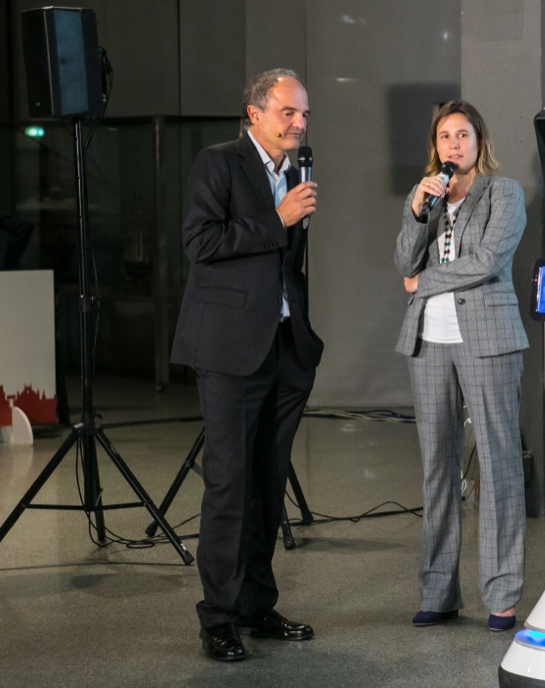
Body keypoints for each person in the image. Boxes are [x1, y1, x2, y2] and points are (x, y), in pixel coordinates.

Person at [171, 69, 324, 662]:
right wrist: (277, 220)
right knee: (230, 484)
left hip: (284, 346)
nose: (300, 124)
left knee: (267, 482)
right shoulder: (219, 163)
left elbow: (286, 264)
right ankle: (218, 617)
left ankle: (257, 603)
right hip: (230, 349)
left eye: (305, 114)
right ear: (255, 112)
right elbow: (200, 243)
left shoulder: (292, 173)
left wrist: (289, 221)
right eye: (289, 112)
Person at [395, 100, 528, 633]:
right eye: (445, 136)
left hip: (488, 340)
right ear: (436, 146)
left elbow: (487, 262)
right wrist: (414, 212)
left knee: (498, 465)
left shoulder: (504, 193)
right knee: (437, 470)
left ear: (480, 142)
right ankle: (437, 590)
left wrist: (422, 283)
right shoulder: (427, 197)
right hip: (430, 341)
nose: (453, 144)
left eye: (463, 135)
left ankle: (502, 595)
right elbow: (404, 261)